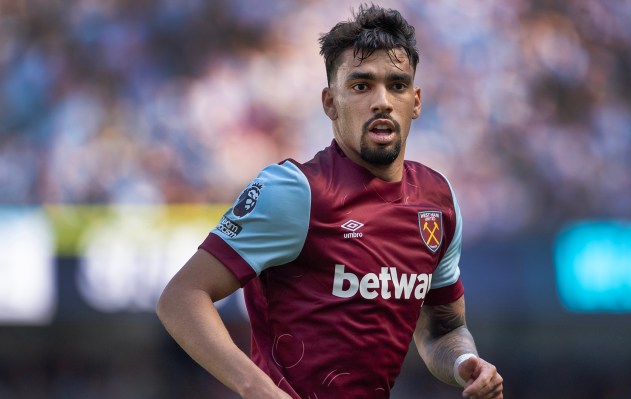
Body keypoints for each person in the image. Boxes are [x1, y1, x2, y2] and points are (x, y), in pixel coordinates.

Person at [156, 4, 503, 399]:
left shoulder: (437, 201)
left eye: (397, 85)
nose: (383, 102)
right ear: (330, 102)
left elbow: (443, 327)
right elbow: (181, 297)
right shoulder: (294, 191)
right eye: (361, 86)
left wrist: (465, 364)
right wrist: (256, 387)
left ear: (417, 101)